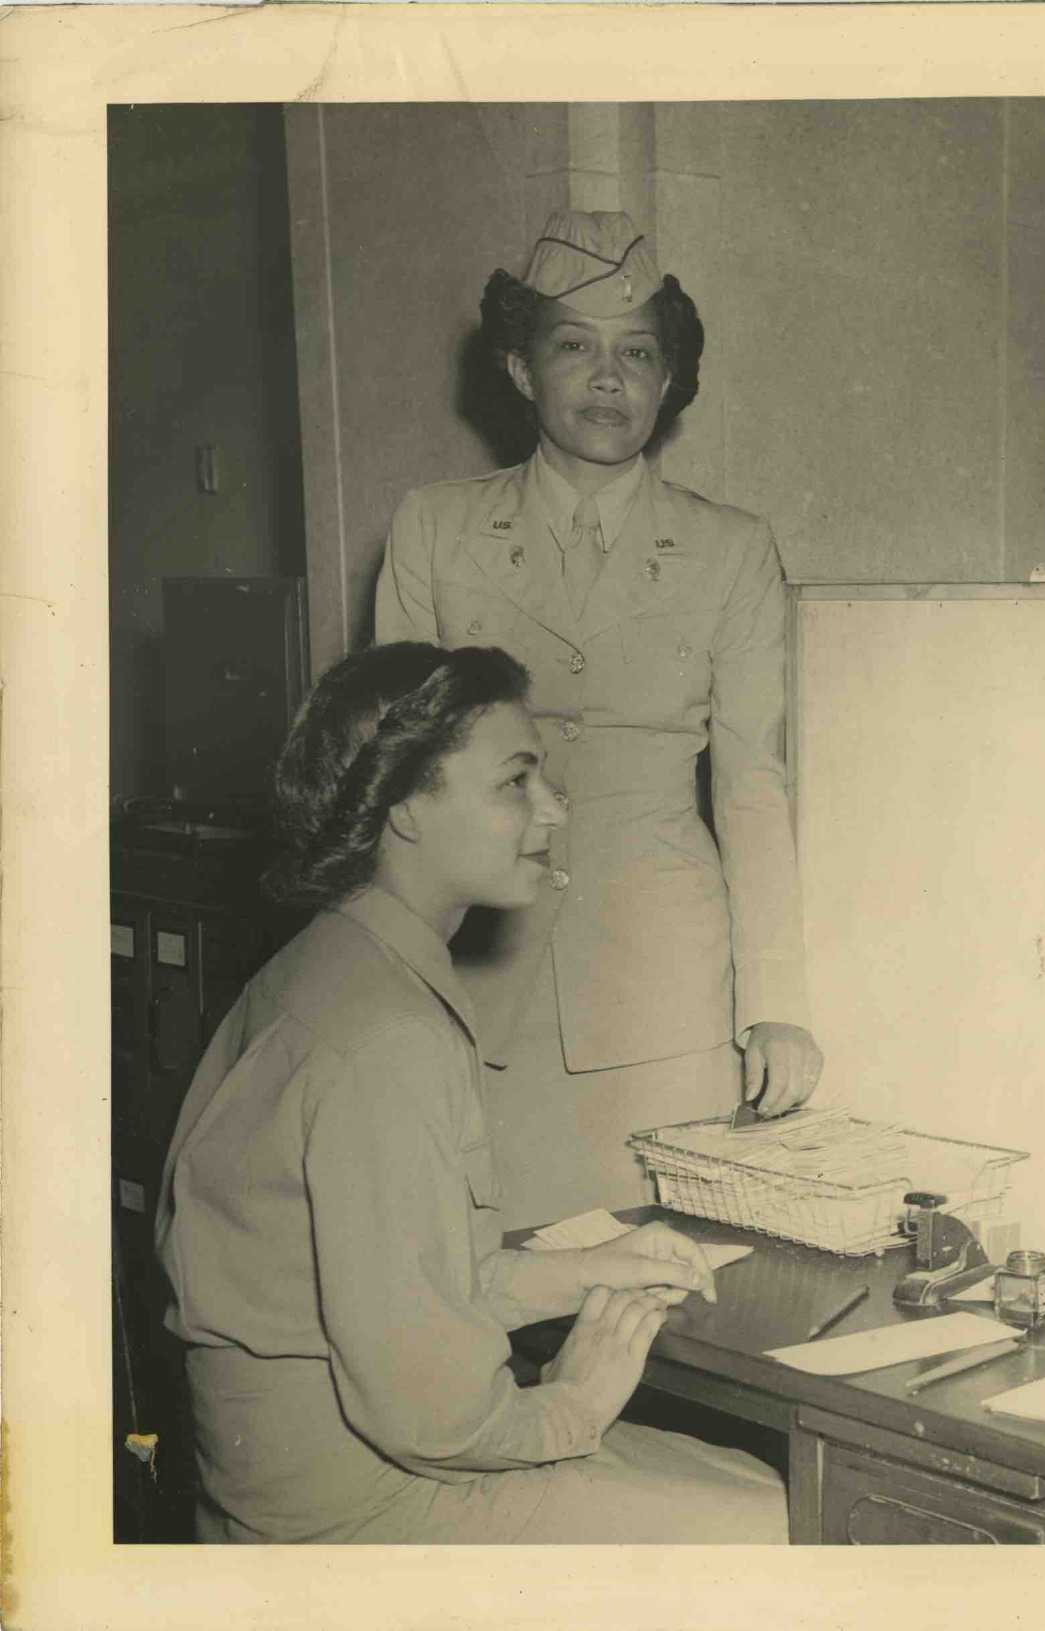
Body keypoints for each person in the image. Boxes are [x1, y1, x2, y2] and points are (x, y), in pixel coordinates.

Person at [155, 642, 789, 1543]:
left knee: (739, 1483)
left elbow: (389, 1286)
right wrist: (574, 1405)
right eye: (516, 783)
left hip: (285, 1487)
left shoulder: (321, 968)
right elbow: (432, 1415)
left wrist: (581, 1272)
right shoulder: (388, 1037)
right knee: (775, 1515)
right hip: (364, 1516)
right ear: (406, 804)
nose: (554, 808)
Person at [376, 210, 822, 1231]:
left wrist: (776, 1001)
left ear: (670, 383)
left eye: (638, 354)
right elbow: (390, 782)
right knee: (485, 1269)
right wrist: (389, 984)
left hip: (659, 987)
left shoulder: (732, 550)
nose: (609, 379)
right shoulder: (433, 530)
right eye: (573, 346)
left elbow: (754, 783)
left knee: (664, 1281)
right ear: (520, 369)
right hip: (483, 978)